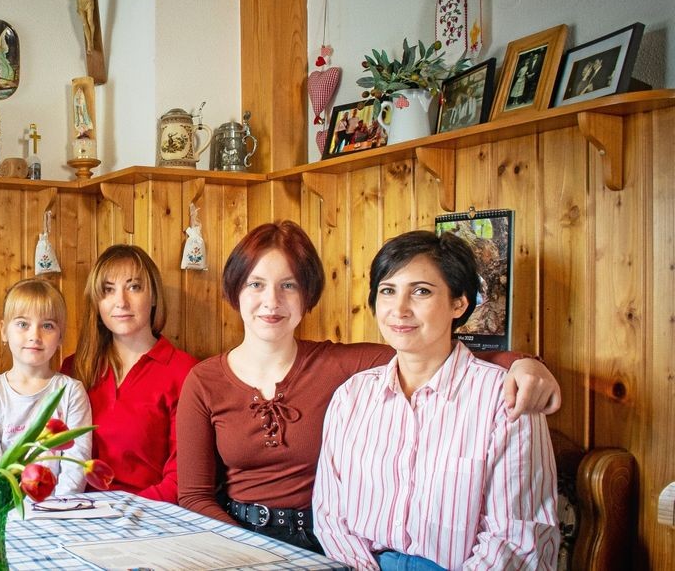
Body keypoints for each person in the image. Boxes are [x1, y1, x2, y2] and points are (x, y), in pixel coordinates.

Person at [176, 222, 560, 552]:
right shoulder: (205, 380)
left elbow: (432, 353)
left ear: (307, 295)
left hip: (326, 541)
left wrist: (523, 364)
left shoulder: (343, 366)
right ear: (235, 290)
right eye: (255, 284)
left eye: (288, 285)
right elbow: (193, 495)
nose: (271, 301)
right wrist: (252, 552)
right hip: (233, 536)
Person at [314, 230, 558, 568]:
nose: (399, 309)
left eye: (421, 292)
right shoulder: (351, 397)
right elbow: (330, 515)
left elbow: (516, 538)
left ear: (459, 303)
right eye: (387, 291)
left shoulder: (504, 400)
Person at [64, 245, 198, 503]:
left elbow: (181, 478)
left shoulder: (185, 372)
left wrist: (126, 512)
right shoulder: (74, 368)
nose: (121, 302)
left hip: (150, 517)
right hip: (75, 514)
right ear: (97, 301)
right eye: (108, 290)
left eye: (134, 287)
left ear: (154, 296)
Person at [0, 278, 92, 496]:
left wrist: (54, 508)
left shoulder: (71, 392)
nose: (34, 336)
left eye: (47, 326)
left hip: (58, 510)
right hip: (5, 507)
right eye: (22, 324)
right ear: (4, 331)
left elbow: (77, 463)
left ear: (60, 336)